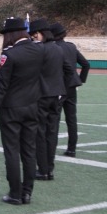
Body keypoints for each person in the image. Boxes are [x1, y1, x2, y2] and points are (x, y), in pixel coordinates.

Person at [0, 17, 45, 206]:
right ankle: (27, 192)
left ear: (11, 34)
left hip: (11, 109)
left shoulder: (10, 54)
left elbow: (2, 86)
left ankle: (15, 193)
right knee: (29, 151)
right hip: (32, 105)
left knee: (12, 151)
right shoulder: (39, 50)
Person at [29, 19, 73, 181]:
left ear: (41, 34)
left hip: (41, 96)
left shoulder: (38, 50)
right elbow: (70, 72)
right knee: (52, 132)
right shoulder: (58, 49)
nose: (34, 37)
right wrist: (63, 91)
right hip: (57, 96)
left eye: (35, 35)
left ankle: (42, 169)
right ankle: (50, 169)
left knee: (40, 133)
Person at [50, 22, 90, 157]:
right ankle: (71, 149)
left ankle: (51, 149)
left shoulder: (53, 48)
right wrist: (80, 80)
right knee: (71, 119)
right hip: (72, 86)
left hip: (57, 87)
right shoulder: (71, 47)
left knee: (54, 119)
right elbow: (86, 64)